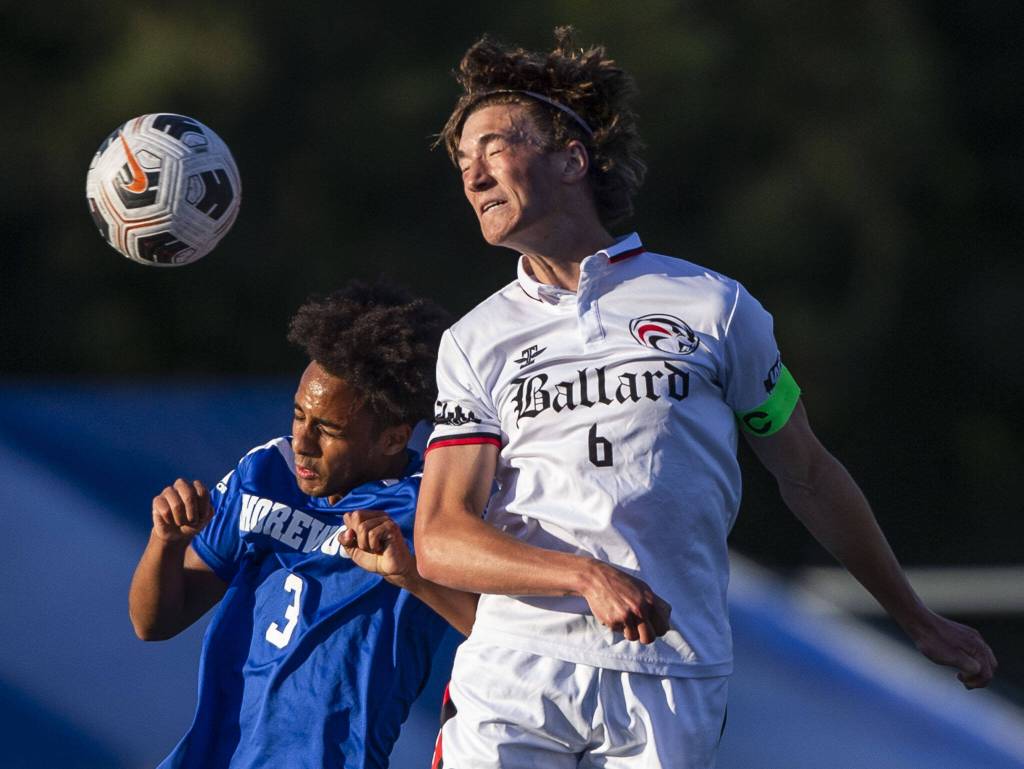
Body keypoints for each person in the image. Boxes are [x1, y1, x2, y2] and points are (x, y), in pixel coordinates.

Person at [414, 28, 998, 769]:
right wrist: (584, 574)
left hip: (671, 674)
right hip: (516, 670)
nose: (472, 176)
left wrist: (915, 619)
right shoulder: (475, 339)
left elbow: (809, 475)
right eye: (462, 162)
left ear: (571, 159)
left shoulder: (714, 308)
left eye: (492, 146)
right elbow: (440, 536)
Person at [129, 282, 477, 769]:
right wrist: (165, 541)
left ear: (394, 437)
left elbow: (502, 631)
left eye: (328, 429)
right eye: (298, 416)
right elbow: (154, 622)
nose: (302, 442)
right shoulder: (265, 474)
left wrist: (410, 576)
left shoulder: (429, 506)